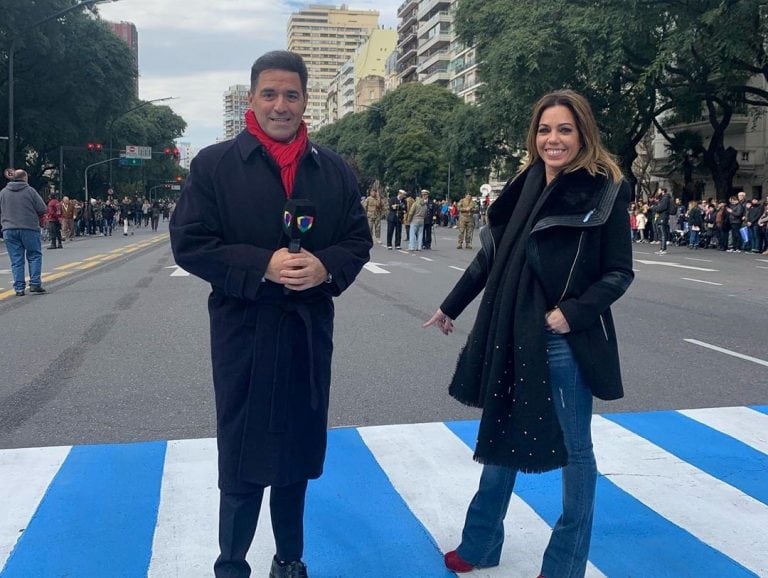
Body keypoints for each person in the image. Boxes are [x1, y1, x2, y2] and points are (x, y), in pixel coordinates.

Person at [169, 50, 371, 578]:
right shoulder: (214, 165)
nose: (281, 105)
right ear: (253, 100)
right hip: (244, 331)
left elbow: (357, 240)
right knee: (242, 451)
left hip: (307, 332)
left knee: (296, 456)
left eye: (292, 95)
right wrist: (264, 264)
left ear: (305, 101)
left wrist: (325, 267)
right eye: (270, 94)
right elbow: (191, 243)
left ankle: (290, 560)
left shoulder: (333, 170)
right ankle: (231, 564)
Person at [423, 90, 634, 578]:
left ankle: (563, 566)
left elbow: (619, 273)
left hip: (563, 339)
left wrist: (572, 314)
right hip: (511, 332)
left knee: (576, 452)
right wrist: (449, 306)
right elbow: (491, 258)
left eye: (563, 129)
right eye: (544, 129)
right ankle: (480, 544)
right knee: (501, 432)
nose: (552, 139)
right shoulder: (525, 183)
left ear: (583, 133)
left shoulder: (604, 188)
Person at [0, 170, 48, 295]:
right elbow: (42, 208)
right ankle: (35, 284)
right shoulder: (30, 191)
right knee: (34, 256)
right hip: (29, 228)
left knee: (16, 260)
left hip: (8, 229)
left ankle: (19, 288)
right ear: (24, 178)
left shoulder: (3, 193)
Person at [651, 187, 672, 254]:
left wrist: (653, 208)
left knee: (663, 233)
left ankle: (663, 249)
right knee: (660, 232)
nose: (658, 192)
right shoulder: (663, 198)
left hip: (663, 216)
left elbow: (662, 207)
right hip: (661, 216)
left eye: (659, 190)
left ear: (662, 191)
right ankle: (661, 249)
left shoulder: (665, 198)